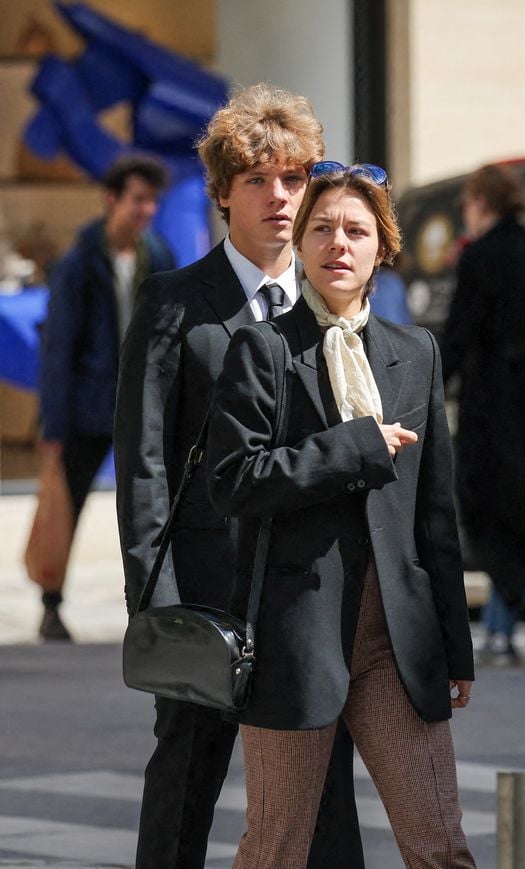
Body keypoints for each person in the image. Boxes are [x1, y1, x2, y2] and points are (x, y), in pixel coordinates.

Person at [114, 86, 366, 869]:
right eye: (259, 180)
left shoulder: (334, 305)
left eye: (294, 179)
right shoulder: (173, 303)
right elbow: (144, 460)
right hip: (204, 591)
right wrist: (155, 604)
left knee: (322, 801)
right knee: (186, 788)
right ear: (224, 194)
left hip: (307, 599)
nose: (281, 198)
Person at [207, 161, 476, 869]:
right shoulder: (264, 349)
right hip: (296, 641)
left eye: (356, 230)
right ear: (299, 243)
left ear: (381, 246)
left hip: (396, 642)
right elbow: (234, 481)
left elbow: (434, 516)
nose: (338, 244)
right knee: (276, 850)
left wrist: (455, 642)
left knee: (441, 846)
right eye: (321, 228)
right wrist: (353, 447)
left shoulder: (415, 353)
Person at [441, 163, 525, 665]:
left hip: (491, 407)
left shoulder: (482, 257)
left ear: (481, 203)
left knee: (484, 516)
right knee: (524, 512)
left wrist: (425, 386)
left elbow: (459, 334)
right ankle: (500, 636)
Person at [36, 153, 174, 641]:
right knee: (65, 507)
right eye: (139, 199)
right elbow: (58, 349)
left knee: (149, 508)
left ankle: (152, 607)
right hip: (87, 409)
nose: (147, 210)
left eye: (153, 200)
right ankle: (50, 605)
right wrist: (52, 428)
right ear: (112, 200)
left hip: (141, 406)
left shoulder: (157, 256)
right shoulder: (79, 262)